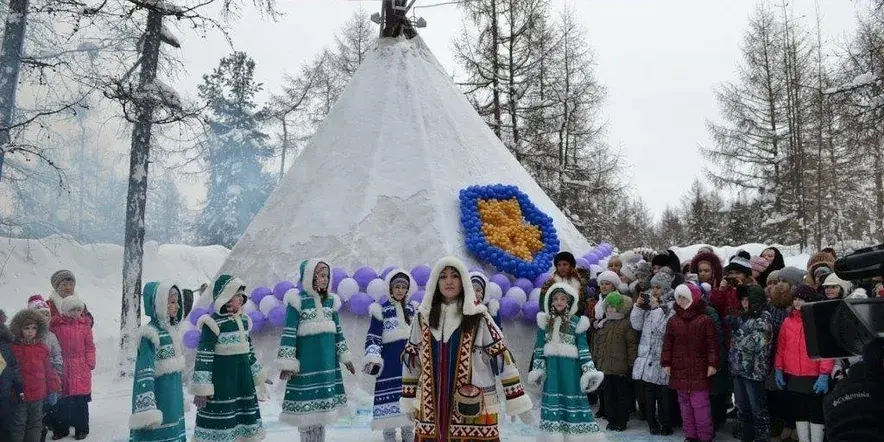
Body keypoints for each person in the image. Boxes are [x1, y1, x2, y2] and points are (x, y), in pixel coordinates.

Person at [400, 256, 534, 441]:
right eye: (443, 276)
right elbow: (412, 360)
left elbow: (502, 357)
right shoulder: (423, 317)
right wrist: (408, 398)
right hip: (430, 409)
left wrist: (516, 398)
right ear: (435, 283)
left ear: (463, 281)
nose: (448, 281)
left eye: (454, 276)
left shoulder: (479, 317)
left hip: (472, 405)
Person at [276, 260, 355, 441]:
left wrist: (345, 357)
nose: (325, 279)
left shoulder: (330, 302)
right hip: (305, 366)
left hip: (327, 366)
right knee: (307, 413)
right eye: (321, 275)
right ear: (309, 277)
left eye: (327, 275)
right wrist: (287, 362)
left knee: (322, 413)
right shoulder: (298, 301)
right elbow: (288, 333)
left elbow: (338, 332)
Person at [191, 275, 266, 442]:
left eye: (241, 297)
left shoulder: (245, 321)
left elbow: (249, 352)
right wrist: (202, 389)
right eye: (234, 296)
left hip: (243, 383)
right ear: (223, 298)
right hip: (222, 384)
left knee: (241, 427)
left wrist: (259, 374)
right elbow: (204, 358)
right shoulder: (212, 324)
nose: (239, 300)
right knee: (221, 429)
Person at [529, 283, 604, 441]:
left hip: (571, 371)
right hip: (552, 371)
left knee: (572, 400)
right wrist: (538, 369)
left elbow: (584, 349)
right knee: (553, 400)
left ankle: (577, 436)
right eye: (555, 298)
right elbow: (539, 349)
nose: (559, 301)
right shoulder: (545, 322)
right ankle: (553, 436)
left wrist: (589, 371)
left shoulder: (577, 323)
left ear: (570, 301)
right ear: (550, 301)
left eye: (563, 298)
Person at [129, 282, 187, 442]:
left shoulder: (171, 332)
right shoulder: (150, 334)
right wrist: (147, 408)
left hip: (172, 398)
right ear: (159, 304)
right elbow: (145, 373)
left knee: (173, 431)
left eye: (177, 302)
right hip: (159, 396)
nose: (177, 306)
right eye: (172, 302)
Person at [363, 269, 417, 442]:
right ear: (390, 289)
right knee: (389, 413)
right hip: (389, 366)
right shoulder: (381, 310)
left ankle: (409, 436)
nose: (400, 290)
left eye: (403, 287)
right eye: (397, 287)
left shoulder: (412, 309)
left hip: (410, 368)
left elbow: (420, 336)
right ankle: (389, 437)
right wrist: (373, 358)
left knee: (409, 410)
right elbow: (374, 337)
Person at [774, 285, 833, 442]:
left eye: (801, 299)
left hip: (813, 374)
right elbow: (781, 347)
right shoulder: (788, 321)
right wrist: (779, 368)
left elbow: (826, 350)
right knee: (799, 411)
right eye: (795, 299)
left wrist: (824, 373)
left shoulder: (818, 320)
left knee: (815, 412)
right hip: (793, 374)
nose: (797, 302)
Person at [662, 284, 718, 442]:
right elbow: (667, 343)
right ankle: (691, 436)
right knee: (684, 405)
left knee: (700, 405)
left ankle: (705, 437)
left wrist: (712, 364)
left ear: (693, 299)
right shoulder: (673, 321)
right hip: (679, 368)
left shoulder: (704, 320)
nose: (680, 301)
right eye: (678, 297)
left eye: (684, 297)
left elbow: (712, 344)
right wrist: (666, 362)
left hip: (699, 369)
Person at [631, 271, 676, 436]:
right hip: (647, 356)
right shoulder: (650, 304)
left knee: (664, 394)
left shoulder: (672, 306)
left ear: (665, 289)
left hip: (662, 357)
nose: (655, 290)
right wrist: (638, 307)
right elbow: (636, 325)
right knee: (649, 393)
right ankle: (651, 422)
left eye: (658, 287)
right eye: (653, 287)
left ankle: (666, 423)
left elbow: (665, 329)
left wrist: (656, 309)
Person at [727, 285, 773, 442]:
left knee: (758, 409)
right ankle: (745, 436)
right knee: (742, 408)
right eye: (743, 299)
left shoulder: (764, 317)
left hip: (754, 371)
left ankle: (762, 438)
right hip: (738, 369)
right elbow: (734, 345)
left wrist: (737, 329)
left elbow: (756, 343)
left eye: (748, 299)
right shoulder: (741, 316)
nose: (745, 303)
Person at [8, 309, 61, 442]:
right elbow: (9, 371)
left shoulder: (42, 348)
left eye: (34, 328)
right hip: (19, 395)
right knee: (18, 424)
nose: (30, 331)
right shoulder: (13, 348)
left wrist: (53, 388)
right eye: (26, 328)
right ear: (19, 328)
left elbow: (49, 370)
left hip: (38, 394)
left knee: (35, 424)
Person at [592, 291, 638, 432]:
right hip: (605, 367)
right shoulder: (603, 324)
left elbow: (631, 345)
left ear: (621, 307)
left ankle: (621, 420)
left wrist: (631, 365)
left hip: (620, 367)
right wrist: (596, 363)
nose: (611, 309)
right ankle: (611, 419)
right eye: (609, 306)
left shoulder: (626, 324)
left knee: (621, 395)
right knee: (608, 395)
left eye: (614, 306)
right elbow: (598, 346)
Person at [52, 293, 95, 440]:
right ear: (64, 311)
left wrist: (90, 362)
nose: (76, 313)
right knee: (63, 400)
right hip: (63, 366)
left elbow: (90, 346)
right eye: (72, 310)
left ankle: (81, 429)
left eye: (78, 310)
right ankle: (61, 428)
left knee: (80, 402)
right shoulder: (56, 326)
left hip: (81, 367)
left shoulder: (84, 327)